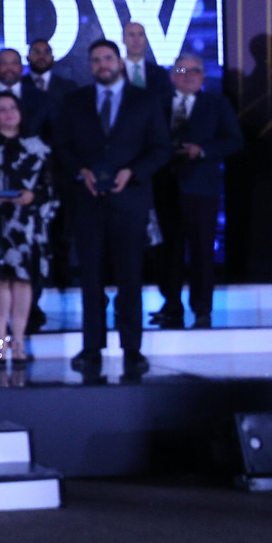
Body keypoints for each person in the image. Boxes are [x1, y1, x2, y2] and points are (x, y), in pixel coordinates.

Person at [53, 39, 172, 376]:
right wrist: (81, 171)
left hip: (130, 200)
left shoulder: (146, 100)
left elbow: (161, 149)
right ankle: (92, 347)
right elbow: (61, 146)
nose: (102, 64)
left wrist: (132, 172)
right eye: (95, 60)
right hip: (88, 201)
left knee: (130, 276)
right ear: (89, 65)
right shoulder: (74, 101)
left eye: (107, 58)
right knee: (90, 278)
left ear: (120, 62)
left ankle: (132, 349)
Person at [150, 53, 241, 330]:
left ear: (203, 76)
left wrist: (202, 151)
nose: (188, 76)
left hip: (201, 188)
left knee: (202, 250)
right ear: (172, 75)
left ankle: (202, 308)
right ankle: (171, 304)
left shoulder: (217, 104)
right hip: (163, 187)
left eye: (194, 71)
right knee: (168, 250)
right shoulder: (157, 104)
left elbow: (234, 140)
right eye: (181, 70)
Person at [0, 92, 56, 363]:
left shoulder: (39, 147)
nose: (8, 113)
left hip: (26, 224)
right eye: (1, 109)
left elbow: (51, 187)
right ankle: (0, 341)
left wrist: (34, 196)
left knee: (22, 281)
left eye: (12, 108)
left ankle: (18, 341)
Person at [121, 22, 160, 89]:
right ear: (123, 40)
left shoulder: (160, 73)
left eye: (141, 35)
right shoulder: (114, 71)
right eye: (131, 35)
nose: (136, 40)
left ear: (146, 39)